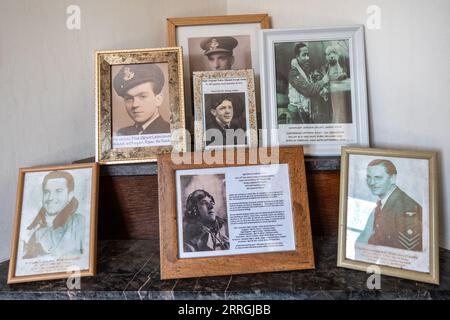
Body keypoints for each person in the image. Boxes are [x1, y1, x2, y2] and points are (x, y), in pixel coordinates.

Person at [356, 159, 423, 251]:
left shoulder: (406, 208)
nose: (372, 182)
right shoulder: (382, 203)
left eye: (378, 177)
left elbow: (408, 254)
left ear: (392, 178)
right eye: (369, 177)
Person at [23, 171, 84, 259]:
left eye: (58, 191)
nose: (50, 197)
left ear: (70, 195)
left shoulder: (79, 223)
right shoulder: (31, 228)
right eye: (47, 192)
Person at [113, 64, 170, 135]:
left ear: (158, 99)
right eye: (129, 98)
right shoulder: (121, 134)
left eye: (143, 96)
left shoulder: (170, 132)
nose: (134, 105)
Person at [287, 42, 332, 123]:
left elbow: (311, 88)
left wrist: (321, 91)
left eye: (308, 55)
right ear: (297, 57)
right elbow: (308, 90)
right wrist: (323, 81)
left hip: (304, 114)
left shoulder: (304, 71)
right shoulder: (294, 73)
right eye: (304, 55)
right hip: (296, 116)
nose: (307, 58)